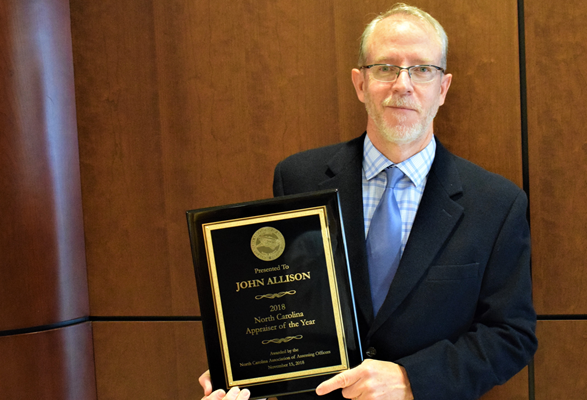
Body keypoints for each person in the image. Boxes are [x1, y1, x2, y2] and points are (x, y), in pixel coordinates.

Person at [201, 4, 536, 400]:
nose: (403, 84)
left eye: (422, 69)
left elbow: (511, 334)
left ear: (442, 89)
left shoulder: (497, 204)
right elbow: (278, 299)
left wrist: (411, 379)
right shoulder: (298, 179)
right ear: (360, 84)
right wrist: (243, 365)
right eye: (386, 68)